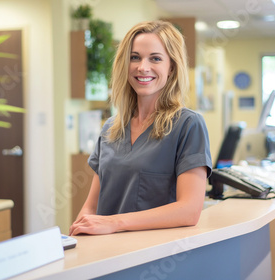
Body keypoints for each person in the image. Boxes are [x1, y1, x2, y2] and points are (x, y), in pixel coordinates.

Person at [69, 20, 212, 236]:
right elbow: (91, 206)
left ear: (171, 66)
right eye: (134, 57)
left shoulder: (188, 125)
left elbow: (189, 211)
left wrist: (115, 223)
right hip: (104, 252)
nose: (142, 67)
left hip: (151, 254)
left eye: (155, 58)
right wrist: (77, 236)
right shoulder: (110, 128)